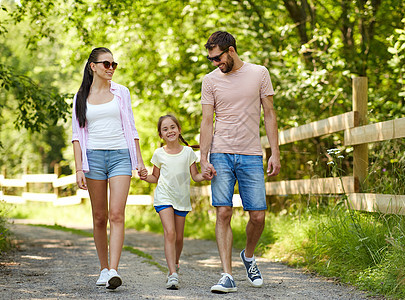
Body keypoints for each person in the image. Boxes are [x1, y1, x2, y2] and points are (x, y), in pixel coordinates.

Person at [199, 31, 281, 293]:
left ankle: (248, 255)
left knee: (257, 215)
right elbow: (206, 121)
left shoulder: (259, 73)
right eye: (211, 59)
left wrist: (275, 152)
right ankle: (226, 275)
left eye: (218, 58)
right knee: (223, 211)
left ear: (231, 50)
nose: (215, 63)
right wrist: (203, 157)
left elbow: (269, 114)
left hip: (251, 153)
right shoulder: (209, 81)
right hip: (220, 153)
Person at [72, 47, 147, 290]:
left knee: (116, 214)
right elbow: (76, 136)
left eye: (114, 64)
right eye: (106, 64)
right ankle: (103, 269)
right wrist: (78, 168)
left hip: (120, 157)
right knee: (99, 216)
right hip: (93, 158)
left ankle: (114, 270)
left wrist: (139, 160)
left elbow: (132, 129)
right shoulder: (80, 96)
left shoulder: (122, 92)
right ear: (92, 66)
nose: (111, 68)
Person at [141, 114, 205, 290]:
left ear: (179, 130)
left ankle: (175, 263)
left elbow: (195, 176)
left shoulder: (188, 152)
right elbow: (155, 177)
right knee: (170, 233)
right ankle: (172, 274)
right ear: (161, 135)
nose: (169, 131)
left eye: (172, 127)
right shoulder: (159, 153)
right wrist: (145, 177)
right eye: (165, 129)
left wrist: (205, 175)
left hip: (181, 199)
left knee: (178, 237)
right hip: (164, 197)